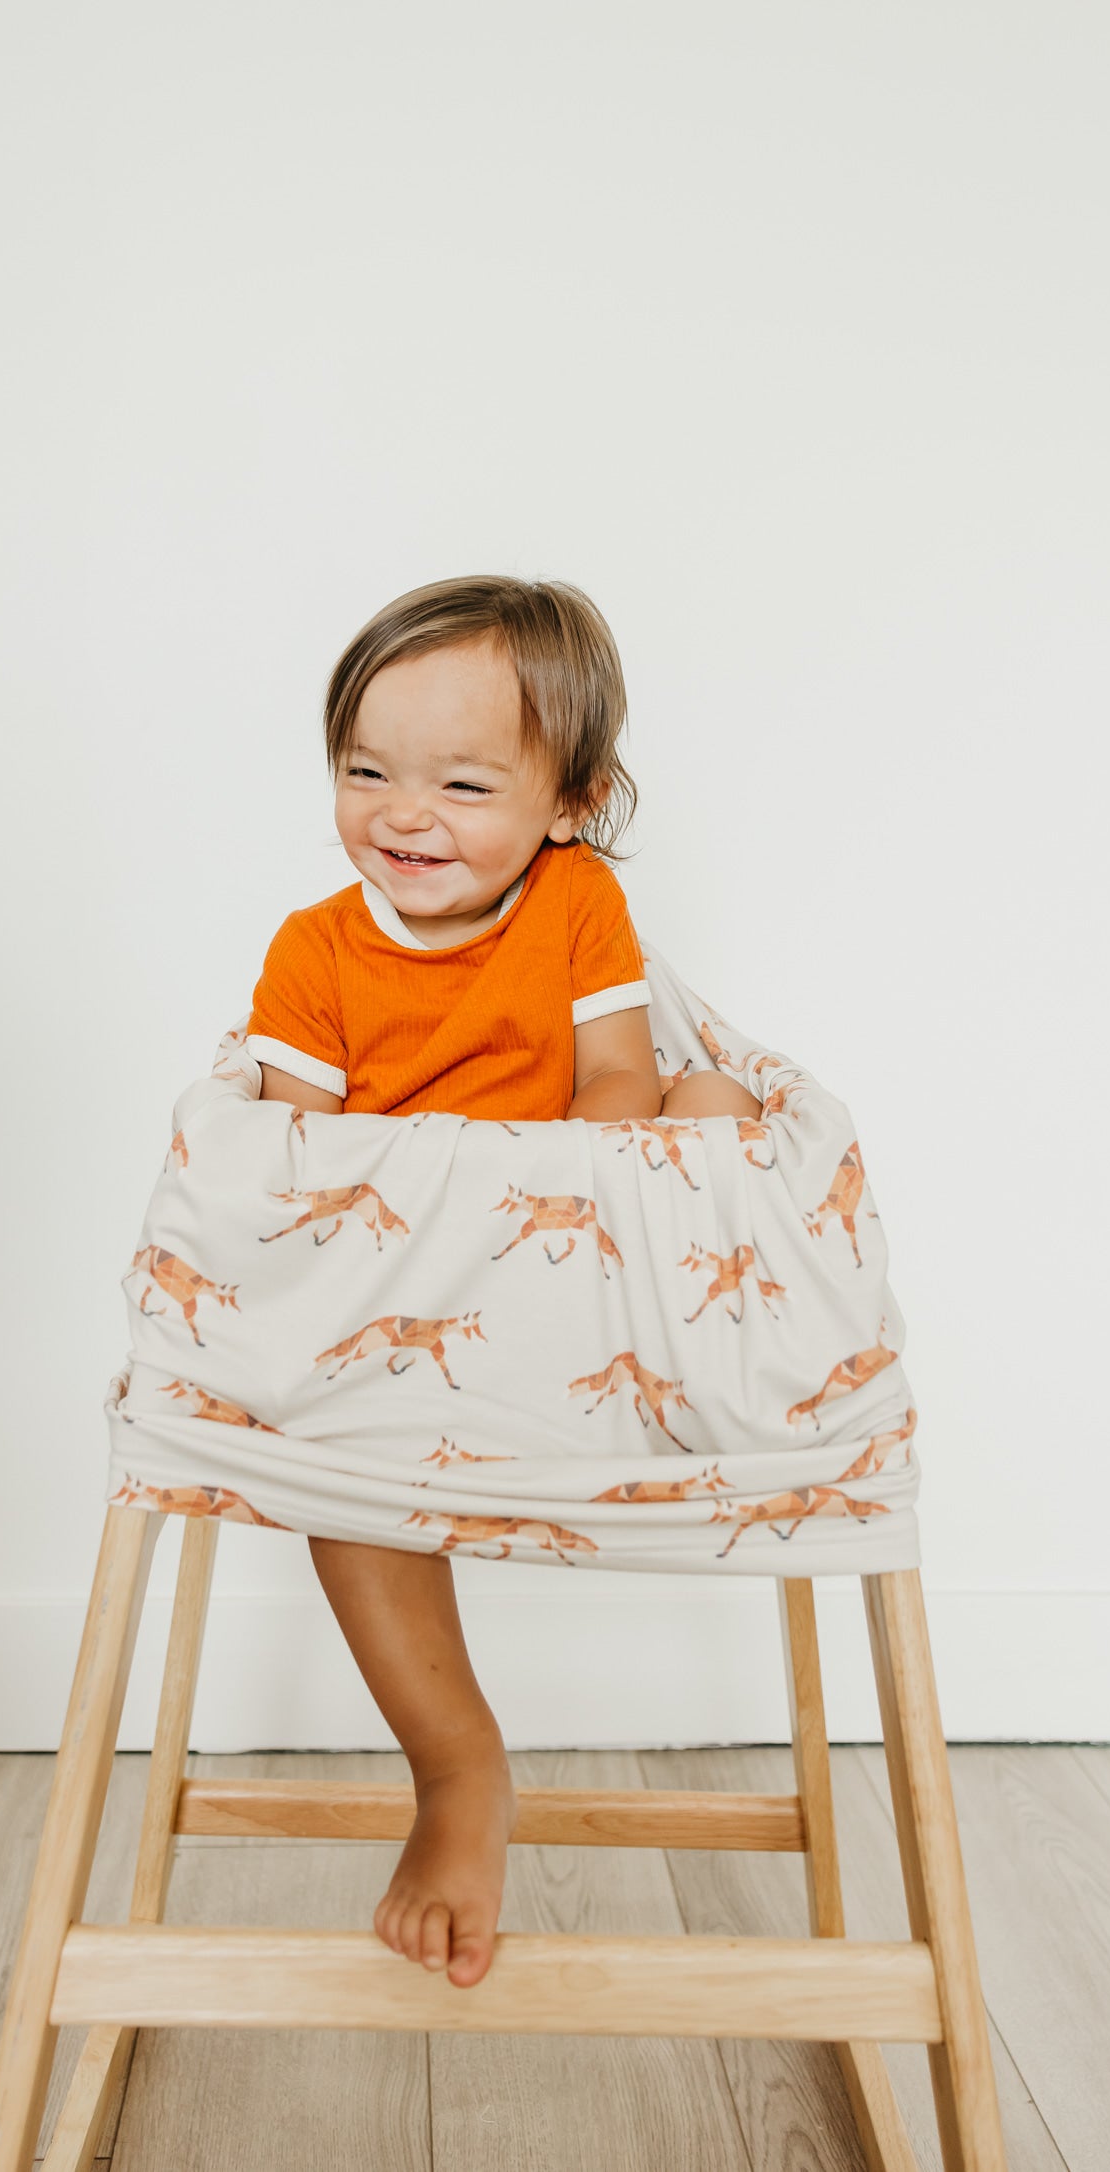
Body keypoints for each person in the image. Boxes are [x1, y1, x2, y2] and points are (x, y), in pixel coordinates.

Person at [245, 575, 761, 1989]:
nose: (404, 816)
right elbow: (296, 1165)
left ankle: (700, 1357)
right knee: (334, 1472)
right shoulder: (314, 952)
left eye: (463, 785)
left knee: (714, 1101)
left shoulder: (578, 901)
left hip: (580, 1274)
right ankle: (457, 1767)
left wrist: (553, 1187)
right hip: (397, 1311)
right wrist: (426, 1210)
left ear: (571, 801)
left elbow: (617, 1081)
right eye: (366, 773)